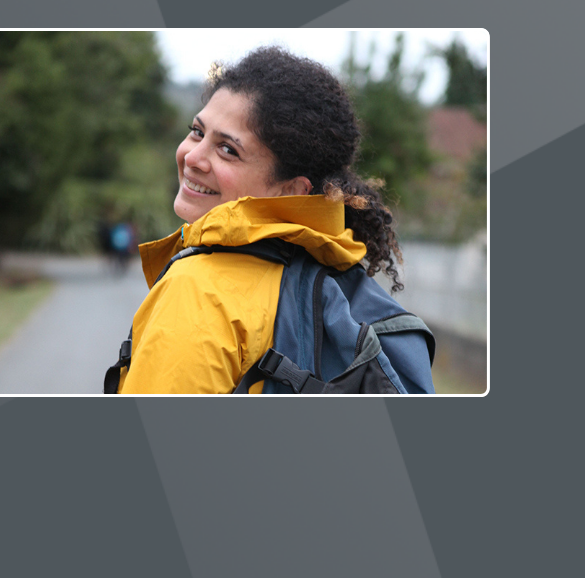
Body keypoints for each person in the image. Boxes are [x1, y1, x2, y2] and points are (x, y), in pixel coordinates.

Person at [113, 46, 428, 394]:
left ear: (290, 189)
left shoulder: (200, 290)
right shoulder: (324, 272)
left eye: (228, 150)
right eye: (197, 132)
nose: (193, 157)